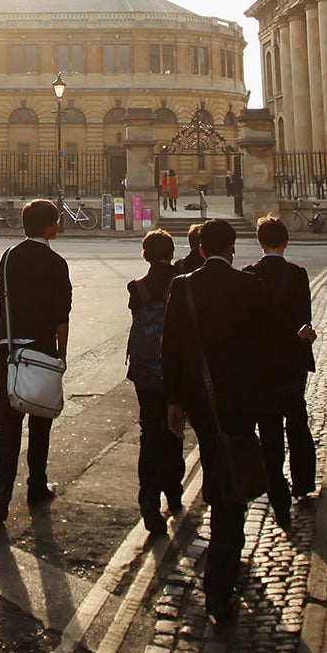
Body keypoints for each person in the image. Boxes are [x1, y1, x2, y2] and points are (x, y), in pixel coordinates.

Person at [163, 216, 282, 627]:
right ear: (233, 248)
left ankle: (218, 582)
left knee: (216, 463)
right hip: (241, 399)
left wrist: (174, 400)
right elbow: (272, 344)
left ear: (199, 250)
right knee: (233, 478)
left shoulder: (183, 287)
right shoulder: (250, 286)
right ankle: (221, 580)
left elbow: (170, 348)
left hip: (200, 399)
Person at [0, 197, 72, 524]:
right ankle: (36, 485)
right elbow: (61, 316)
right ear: (50, 226)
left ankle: (1, 495)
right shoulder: (56, 263)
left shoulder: (9, 257)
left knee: (7, 422)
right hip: (40, 349)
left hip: (7, 348)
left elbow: (1, 295)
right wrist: (61, 356)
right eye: (56, 221)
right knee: (40, 420)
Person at [244, 215, 317, 528]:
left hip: (261, 365)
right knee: (298, 423)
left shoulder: (249, 275)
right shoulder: (297, 274)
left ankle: (278, 494)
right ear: (286, 242)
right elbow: (304, 318)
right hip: (291, 362)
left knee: (269, 430)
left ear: (260, 242)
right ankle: (303, 484)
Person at [125, 228, 185, 532]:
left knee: (149, 433)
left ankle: (148, 499)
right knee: (174, 430)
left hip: (145, 371)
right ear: (171, 253)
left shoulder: (137, 287)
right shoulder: (182, 284)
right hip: (175, 369)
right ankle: (173, 493)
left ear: (145, 255)